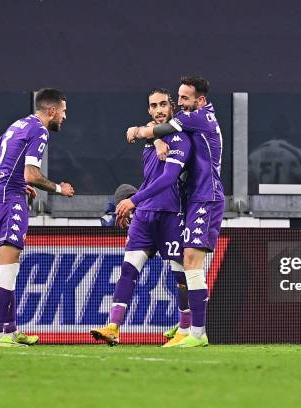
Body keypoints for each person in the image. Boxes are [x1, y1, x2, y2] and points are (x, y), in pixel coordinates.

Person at [124, 76, 224, 347]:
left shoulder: (198, 117)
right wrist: (155, 138)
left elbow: (153, 129)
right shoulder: (191, 116)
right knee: (188, 263)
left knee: (191, 263)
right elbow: (159, 127)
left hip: (207, 197)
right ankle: (189, 329)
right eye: (178, 98)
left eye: (184, 99)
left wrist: (137, 130)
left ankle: (198, 333)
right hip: (195, 199)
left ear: (200, 100)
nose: (179, 104)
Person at [91, 88, 193, 347]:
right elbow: (136, 131)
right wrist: (153, 137)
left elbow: (167, 178)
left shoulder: (182, 137)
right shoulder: (151, 136)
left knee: (180, 276)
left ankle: (185, 327)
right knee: (128, 270)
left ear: (172, 106)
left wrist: (131, 200)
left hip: (171, 214)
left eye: (162, 105)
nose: (158, 110)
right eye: (153, 106)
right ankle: (113, 326)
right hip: (145, 216)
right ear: (149, 110)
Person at [0, 88, 74, 348]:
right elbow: (32, 174)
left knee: (12, 265)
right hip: (8, 200)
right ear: (52, 110)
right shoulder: (40, 130)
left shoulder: (18, 124)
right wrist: (58, 188)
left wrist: (13, 178)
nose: (65, 117)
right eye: (63, 111)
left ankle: (10, 330)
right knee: (8, 268)